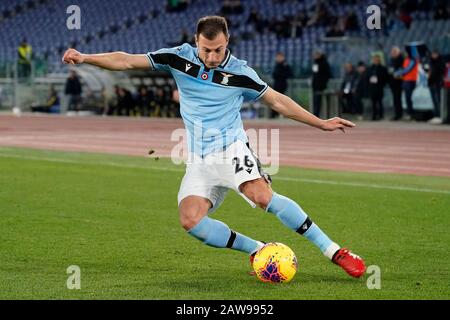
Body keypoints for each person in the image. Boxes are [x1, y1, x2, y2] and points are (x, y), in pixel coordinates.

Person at [62, 16, 366, 279]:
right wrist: (86, 57)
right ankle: (258, 250)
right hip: (199, 160)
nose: (211, 56)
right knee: (190, 220)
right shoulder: (178, 58)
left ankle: (335, 251)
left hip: (232, 149)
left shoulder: (240, 72)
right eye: (206, 49)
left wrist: (321, 123)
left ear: (227, 42)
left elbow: (278, 102)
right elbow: (126, 60)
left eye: (218, 49)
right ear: (196, 41)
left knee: (262, 196)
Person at [271, 52, 293, 118]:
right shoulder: (277, 65)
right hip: (276, 84)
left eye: (279, 57)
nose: (278, 58)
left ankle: (282, 114)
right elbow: (274, 74)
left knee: (281, 100)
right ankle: (274, 114)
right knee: (274, 99)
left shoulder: (285, 65)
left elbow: (290, 74)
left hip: (282, 84)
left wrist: (280, 76)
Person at [427, 49, 446, 124]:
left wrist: (433, 70)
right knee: (434, 100)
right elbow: (428, 71)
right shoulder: (430, 62)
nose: (433, 56)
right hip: (431, 82)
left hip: (438, 83)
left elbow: (441, 71)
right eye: (432, 54)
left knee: (438, 100)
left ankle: (440, 116)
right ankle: (436, 115)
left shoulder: (441, 61)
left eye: (435, 54)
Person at [367, 54, 389, 120]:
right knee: (373, 103)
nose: (375, 60)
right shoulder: (370, 68)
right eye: (374, 59)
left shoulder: (383, 68)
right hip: (372, 87)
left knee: (380, 102)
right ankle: (374, 115)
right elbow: (367, 77)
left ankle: (380, 115)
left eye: (377, 59)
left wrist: (379, 80)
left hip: (379, 87)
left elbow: (385, 77)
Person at [311, 50, 332, 117]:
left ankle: (317, 113)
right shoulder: (315, 63)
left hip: (320, 85)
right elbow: (314, 74)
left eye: (316, 55)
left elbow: (327, 74)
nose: (314, 56)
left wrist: (323, 82)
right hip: (315, 85)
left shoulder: (324, 63)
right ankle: (315, 113)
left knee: (318, 100)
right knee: (316, 100)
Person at [388, 46, 404, 121]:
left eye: (395, 52)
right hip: (392, 82)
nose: (393, 53)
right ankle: (397, 114)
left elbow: (401, 70)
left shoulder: (401, 59)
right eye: (392, 52)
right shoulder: (391, 60)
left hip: (398, 82)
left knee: (398, 99)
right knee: (395, 99)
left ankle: (399, 114)